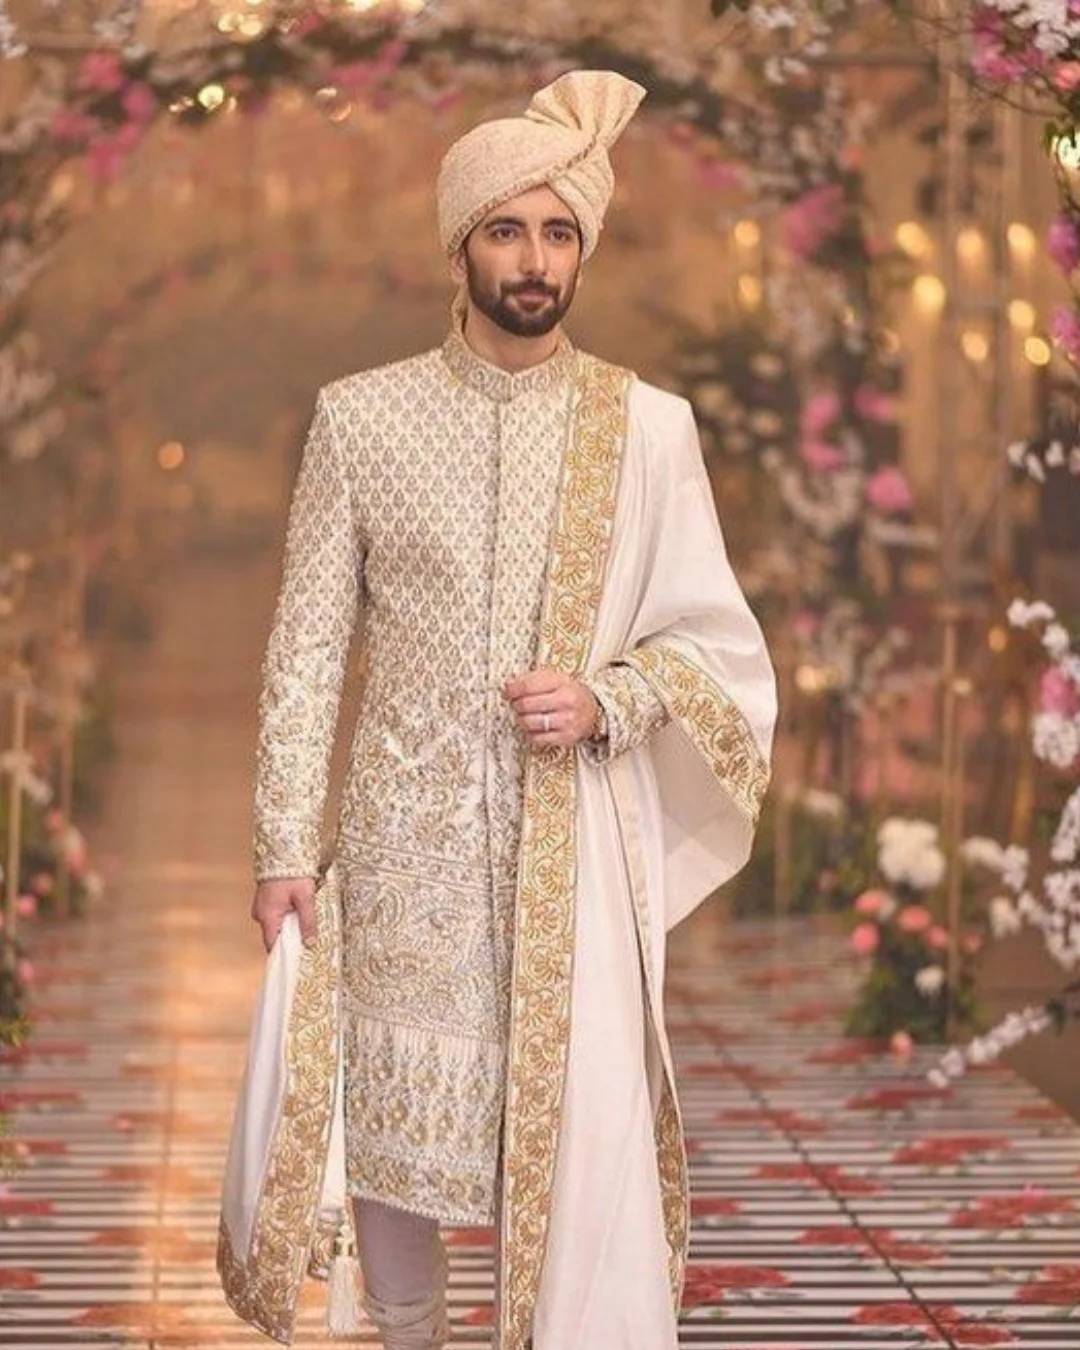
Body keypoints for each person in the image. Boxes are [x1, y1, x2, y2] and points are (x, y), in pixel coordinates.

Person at [225, 69, 776, 1350]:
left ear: (584, 249)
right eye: (509, 231)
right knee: (392, 1129)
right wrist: (282, 847)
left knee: (567, 1135)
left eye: (560, 233)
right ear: (459, 246)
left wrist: (607, 698)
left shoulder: (647, 430)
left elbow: (718, 646)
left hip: (562, 856)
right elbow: (305, 650)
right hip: (400, 853)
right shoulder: (359, 419)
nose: (536, 260)